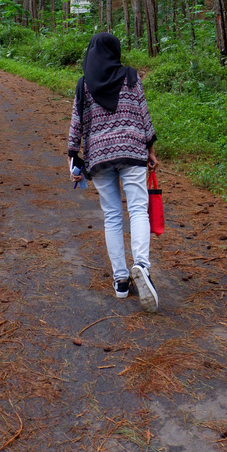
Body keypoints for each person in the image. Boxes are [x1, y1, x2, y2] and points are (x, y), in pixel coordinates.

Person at [67, 32, 160, 313]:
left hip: (100, 155)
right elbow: (143, 115)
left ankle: (121, 280)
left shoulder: (84, 84)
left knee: (112, 216)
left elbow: (77, 123)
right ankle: (141, 265)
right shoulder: (131, 77)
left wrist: (74, 157)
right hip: (132, 150)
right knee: (138, 209)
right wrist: (151, 149)